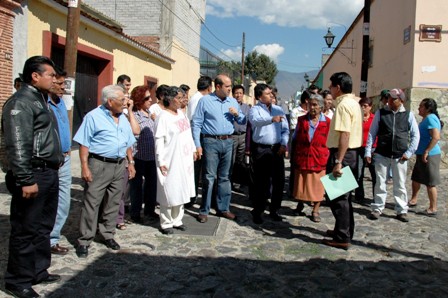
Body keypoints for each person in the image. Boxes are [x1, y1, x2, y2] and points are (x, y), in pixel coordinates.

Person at [2, 56, 64, 297]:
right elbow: (17, 144)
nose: (54, 79)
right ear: (35, 76)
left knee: (43, 226)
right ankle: (18, 281)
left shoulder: (41, 100)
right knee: (25, 229)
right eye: (49, 75)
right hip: (34, 173)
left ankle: (38, 270)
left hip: (49, 171)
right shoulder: (21, 102)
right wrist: (25, 179)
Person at [73, 84, 136, 258]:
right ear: (110, 101)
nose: (125, 102)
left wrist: (130, 162)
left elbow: (128, 141)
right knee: (92, 203)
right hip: (99, 164)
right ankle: (85, 240)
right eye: (122, 99)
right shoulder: (93, 117)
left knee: (114, 202)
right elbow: (84, 143)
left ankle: (107, 234)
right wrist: (84, 167)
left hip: (119, 165)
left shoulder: (122, 117)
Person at [192, 74, 246, 223]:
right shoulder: (205, 101)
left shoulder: (233, 101)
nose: (230, 89)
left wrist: (237, 115)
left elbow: (243, 120)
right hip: (210, 141)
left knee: (225, 177)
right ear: (218, 87)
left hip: (228, 141)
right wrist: (197, 145)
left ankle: (224, 208)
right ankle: (204, 210)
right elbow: (196, 124)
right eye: (227, 87)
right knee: (209, 177)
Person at [366, 88, 420, 223]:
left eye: (393, 98)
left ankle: (401, 210)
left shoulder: (408, 115)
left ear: (401, 100)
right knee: (380, 182)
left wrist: (409, 153)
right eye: (388, 98)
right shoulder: (381, 113)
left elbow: (415, 135)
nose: (389, 100)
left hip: (400, 156)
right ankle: (378, 207)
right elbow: (372, 133)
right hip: (382, 153)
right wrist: (368, 151)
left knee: (400, 183)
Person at [322, 72, 362, 250]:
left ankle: (342, 236)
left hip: (343, 154)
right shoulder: (353, 103)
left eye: (331, 86)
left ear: (338, 87)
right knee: (344, 197)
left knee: (338, 198)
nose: (330, 90)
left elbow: (345, 134)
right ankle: (344, 230)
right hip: (350, 154)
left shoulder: (344, 106)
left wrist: (338, 161)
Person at [155, 86, 197, 234]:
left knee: (181, 188)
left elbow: (188, 133)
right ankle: (166, 223)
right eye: (179, 98)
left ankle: (177, 219)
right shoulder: (163, 117)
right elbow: (159, 140)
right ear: (171, 99)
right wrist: (161, 161)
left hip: (184, 159)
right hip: (170, 159)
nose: (182, 101)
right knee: (169, 189)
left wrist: (193, 149)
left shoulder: (181, 114)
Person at [249, 83, 289, 224]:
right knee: (261, 182)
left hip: (276, 148)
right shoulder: (255, 110)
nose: (271, 95)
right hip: (261, 149)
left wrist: (284, 144)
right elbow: (255, 121)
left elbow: (285, 129)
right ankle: (258, 210)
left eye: (271, 93)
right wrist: (271, 119)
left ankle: (274, 210)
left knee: (279, 181)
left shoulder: (279, 109)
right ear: (260, 96)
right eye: (267, 93)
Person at [291, 93, 331, 223]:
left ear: (321, 107)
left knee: (318, 186)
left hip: (319, 158)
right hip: (303, 157)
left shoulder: (328, 122)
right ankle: (300, 205)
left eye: (314, 105)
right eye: (309, 104)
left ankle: (315, 210)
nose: (311, 107)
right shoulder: (301, 120)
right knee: (301, 185)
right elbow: (295, 138)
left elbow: (330, 141)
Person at [48, 67, 72, 255]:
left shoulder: (61, 102)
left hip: (65, 157)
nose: (63, 87)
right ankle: (45, 240)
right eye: (60, 83)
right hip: (49, 160)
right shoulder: (41, 103)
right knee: (48, 201)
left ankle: (53, 237)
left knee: (63, 201)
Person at [129, 85, 158, 224]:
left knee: (152, 185)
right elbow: (134, 132)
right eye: (147, 98)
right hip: (138, 155)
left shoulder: (150, 113)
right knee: (136, 187)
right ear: (139, 99)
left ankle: (149, 210)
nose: (150, 100)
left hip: (152, 156)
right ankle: (135, 213)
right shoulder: (134, 115)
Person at [409, 98, 443, 215]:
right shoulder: (426, 119)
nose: (419, 108)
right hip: (421, 153)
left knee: (430, 182)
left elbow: (436, 137)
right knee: (416, 178)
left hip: (430, 155)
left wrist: (427, 151)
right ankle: (414, 199)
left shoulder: (431, 118)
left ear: (428, 108)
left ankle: (433, 207)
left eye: (421, 106)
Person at [186, 76, 213, 206]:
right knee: (196, 169)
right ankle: (192, 197)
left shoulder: (195, 98)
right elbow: (196, 122)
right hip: (197, 138)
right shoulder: (201, 100)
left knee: (197, 170)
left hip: (195, 137)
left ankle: (193, 195)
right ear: (209, 87)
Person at [354, 97, 377, 201]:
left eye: (365, 106)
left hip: (372, 149)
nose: (363, 108)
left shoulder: (375, 119)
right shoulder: (356, 119)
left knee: (374, 174)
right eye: (361, 106)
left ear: (370, 107)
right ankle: (359, 195)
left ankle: (376, 196)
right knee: (358, 173)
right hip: (359, 148)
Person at [230, 84, 251, 189]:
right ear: (233, 94)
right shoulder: (229, 105)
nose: (238, 95)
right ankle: (229, 181)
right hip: (232, 136)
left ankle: (238, 182)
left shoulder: (247, 107)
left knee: (240, 160)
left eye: (240, 93)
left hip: (243, 136)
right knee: (231, 160)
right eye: (236, 93)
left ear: (243, 95)